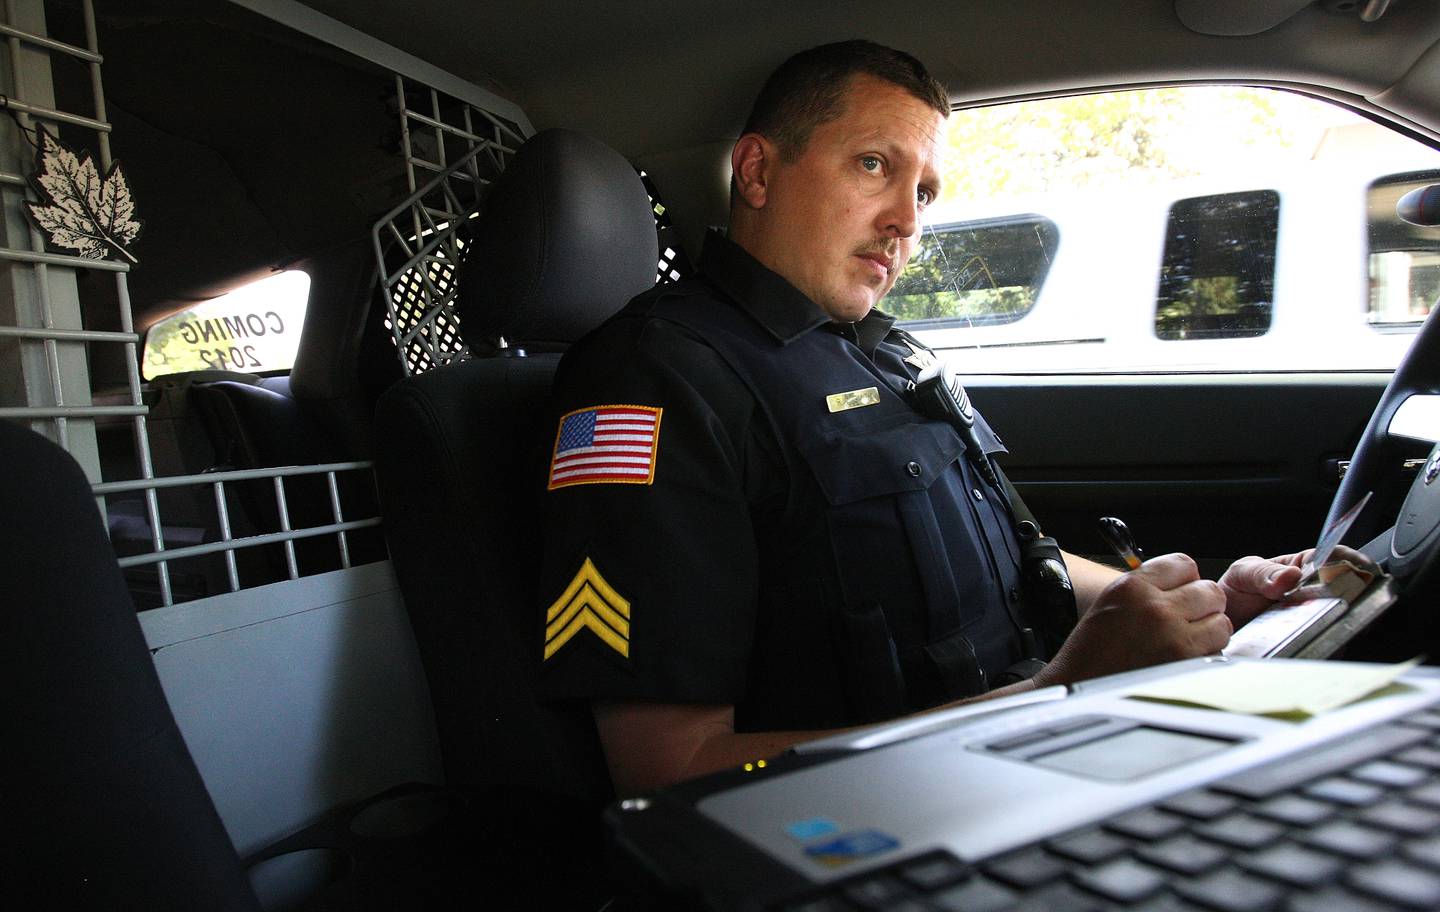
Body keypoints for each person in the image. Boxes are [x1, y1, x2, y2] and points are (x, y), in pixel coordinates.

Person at [535, 39, 1308, 796]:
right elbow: (665, 770)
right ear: (759, 171)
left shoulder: (890, 352)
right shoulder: (652, 377)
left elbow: (1022, 559)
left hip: (1019, 767)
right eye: (875, 165)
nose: (908, 221)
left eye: (926, 192)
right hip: (877, 833)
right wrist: (1062, 695)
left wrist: (1192, 614)